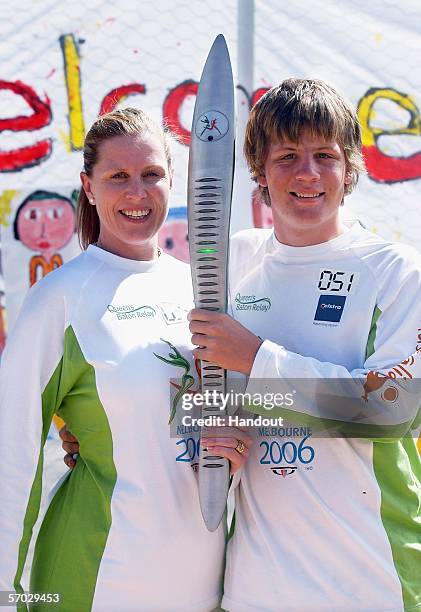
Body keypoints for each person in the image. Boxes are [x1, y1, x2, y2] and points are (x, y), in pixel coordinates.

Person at [0, 107, 250, 612]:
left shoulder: (204, 292)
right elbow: (13, 455)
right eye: (118, 177)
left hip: (201, 584)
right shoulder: (61, 299)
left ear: (173, 180)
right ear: (88, 187)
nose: (137, 193)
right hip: (96, 578)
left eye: (151, 175)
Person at [186, 79, 421, 611]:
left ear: (350, 167)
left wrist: (256, 357)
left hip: (369, 581)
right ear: (260, 173)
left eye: (325, 156)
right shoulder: (236, 264)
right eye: (288, 156)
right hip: (256, 587)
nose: (308, 174)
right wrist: (209, 439)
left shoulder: (395, 271)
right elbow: (202, 394)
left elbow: (393, 412)